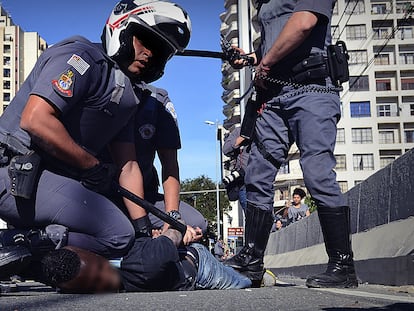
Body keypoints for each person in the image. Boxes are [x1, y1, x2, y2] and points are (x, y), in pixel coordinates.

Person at [0, 0, 195, 277]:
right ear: (123, 30)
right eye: (147, 40)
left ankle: (28, 258)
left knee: (125, 237)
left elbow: (128, 166)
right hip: (13, 173)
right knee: (117, 233)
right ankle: (13, 244)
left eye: (162, 50)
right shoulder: (80, 57)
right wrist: (91, 166)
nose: (151, 53)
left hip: (48, 181)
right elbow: (35, 120)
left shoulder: (128, 96)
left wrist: (142, 233)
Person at [224, 0, 358, 289]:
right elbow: (273, 46)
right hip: (274, 95)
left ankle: (343, 264)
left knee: (317, 172)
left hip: (312, 88)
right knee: (257, 173)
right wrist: (250, 58)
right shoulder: (265, 5)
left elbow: (304, 23)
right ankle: (252, 261)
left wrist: (265, 62)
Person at [40, 224, 251, 293]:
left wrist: (175, 229)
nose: (105, 278)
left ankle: (250, 275)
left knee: (244, 285)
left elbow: (175, 233)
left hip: (199, 266)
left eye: (100, 268)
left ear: (96, 256)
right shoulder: (71, 282)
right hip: (172, 260)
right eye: (95, 283)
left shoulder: (147, 264)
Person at [131, 84, 208, 235]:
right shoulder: (107, 87)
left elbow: (170, 165)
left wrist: (172, 217)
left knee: (197, 223)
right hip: (102, 192)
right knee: (123, 232)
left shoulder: (157, 99)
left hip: (145, 196)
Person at [222, 126, 250, 211]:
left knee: (266, 217)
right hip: (244, 182)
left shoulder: (266, 130)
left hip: (263, 180)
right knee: (250, 216)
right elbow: (226, 149)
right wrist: (242, 137)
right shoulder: (240, 131)